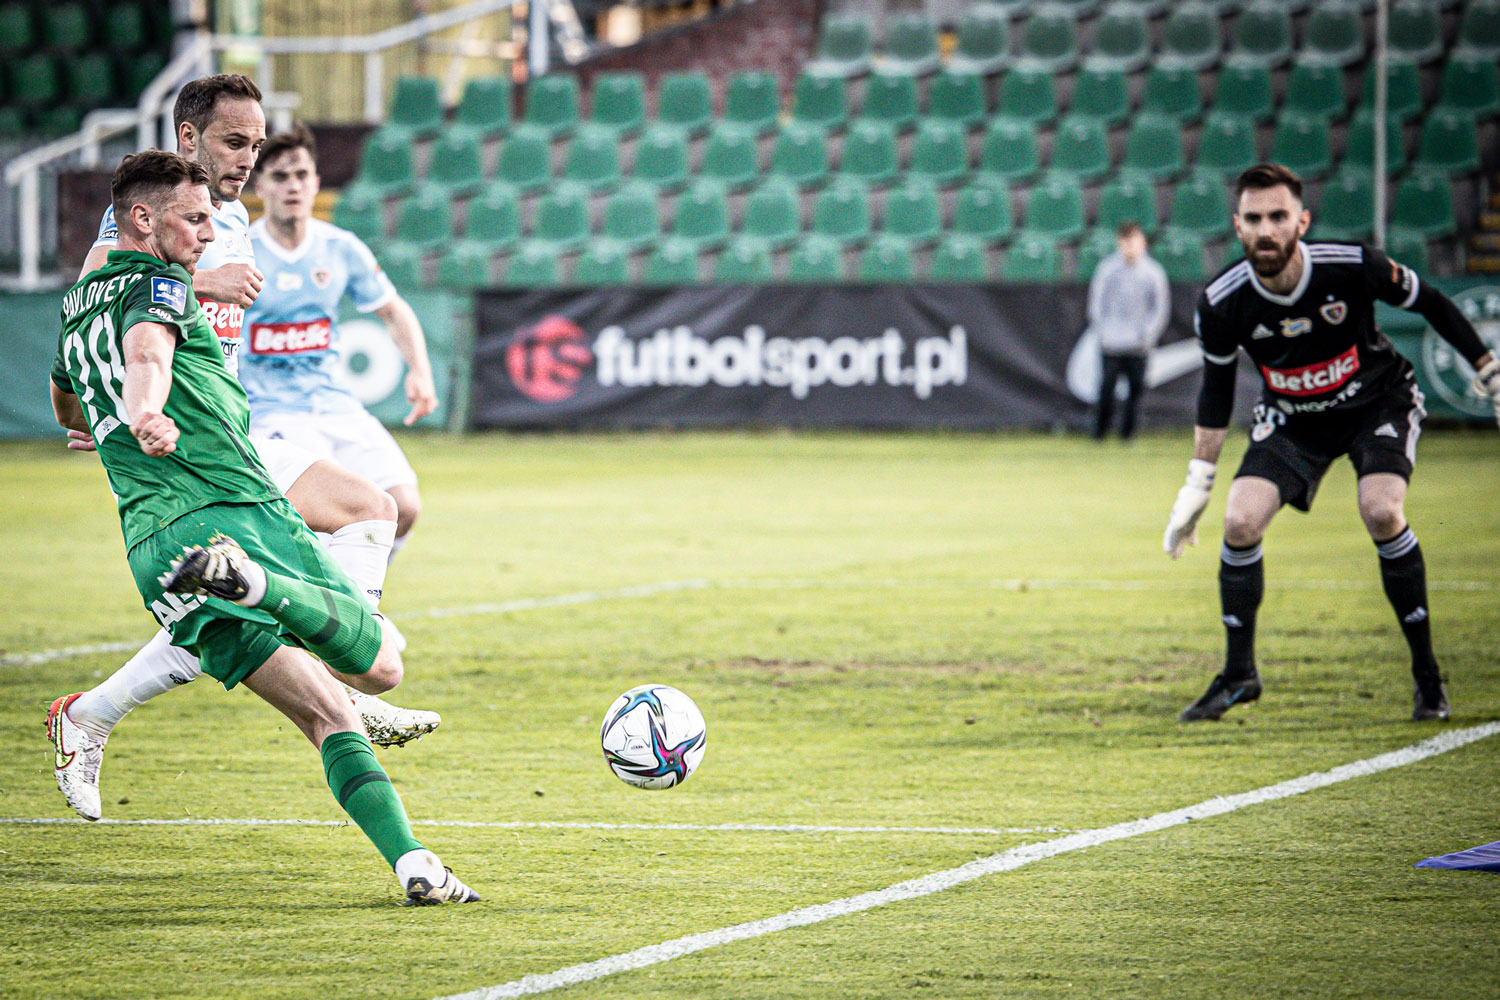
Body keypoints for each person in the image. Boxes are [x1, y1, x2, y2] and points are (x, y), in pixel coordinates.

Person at [48, 150, 477, 904]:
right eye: (195, 218)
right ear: (143, 219)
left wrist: (92, 425)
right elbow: (148, 350)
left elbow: (63, 391)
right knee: (377, 666)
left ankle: (414, 864)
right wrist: (147, 409)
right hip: (234, 511)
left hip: (154, 549)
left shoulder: (80, 301)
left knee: (327, 712)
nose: (210, 231)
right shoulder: (160, 283)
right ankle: (265, 588)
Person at [1164, 163, 1500, 723]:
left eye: (1278, 217)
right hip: (1293, 419)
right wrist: (1197, 482)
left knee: (1381, 510)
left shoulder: (1352, 266)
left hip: (1376, 402)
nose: (1266, 230)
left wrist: (1489, 370)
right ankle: (1239, 675)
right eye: (1253, 219)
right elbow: (1216, 390)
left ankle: (1427, 678)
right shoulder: (1222, 302)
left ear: (1302, 220)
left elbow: (1433, 303)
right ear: (1237, 225)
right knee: (1239, 522)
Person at [241, 123, 436, 551]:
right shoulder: (241, 251)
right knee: (322, 521)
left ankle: (356, 605)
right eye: (280, 176)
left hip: (335, 405)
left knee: (403, 506)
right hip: (271, 413)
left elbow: (394, 309)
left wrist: (420, 372)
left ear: (316, 182)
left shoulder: (340, 247)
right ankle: (337, 610)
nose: (292, 186)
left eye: (301, 175)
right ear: (261, 185)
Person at [1088, 221, 1171, 440]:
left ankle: (1128, 434)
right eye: (1125, 242)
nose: (1129, 247)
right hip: (1111, 343)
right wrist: (1103, 332)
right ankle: (1099, 433)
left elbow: (1160, 308)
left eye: (1133, 241)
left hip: (1138, 345)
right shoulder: (1107, 269)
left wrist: (1147, 335)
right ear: (1119, 243)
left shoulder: (1154, 272)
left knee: (1136, 392)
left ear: (1142, 242)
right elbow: (1096, 303)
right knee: (1106, 389)